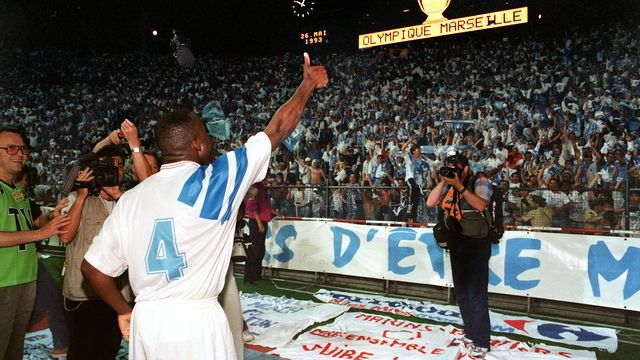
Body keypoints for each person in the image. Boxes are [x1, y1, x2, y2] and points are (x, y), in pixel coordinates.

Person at [80, 53, 328, 359]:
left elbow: (92, 269)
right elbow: (276, 130)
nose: (211, 138)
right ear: (197, 144)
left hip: (147, 321)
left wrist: (122, 310)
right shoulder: (216, 180)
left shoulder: (131, 197)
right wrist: (306, 85)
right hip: (196, 321)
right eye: (207, 133)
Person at [0, 126, 70, 360]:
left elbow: (35, 221)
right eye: (10, 148)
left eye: (23, 149)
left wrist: (53, 216)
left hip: (25, 278)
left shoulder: (16, 191)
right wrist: (40, 234)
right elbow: (35, 232)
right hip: (3, 281)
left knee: (13, 347)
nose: (19, 153)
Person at [59, 144, 129, 360]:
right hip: (84, 295)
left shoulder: (129, 201)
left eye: (120, 165)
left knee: (108, 351)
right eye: (110, 165)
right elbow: (65, 236)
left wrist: (118, 196)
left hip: (118, 293)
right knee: (83, 352)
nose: (115, 170)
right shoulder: (78, 198)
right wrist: (80, 195)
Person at [426, 150, 492, 359]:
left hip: (477, 244)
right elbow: (430, 202)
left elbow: (481, 204)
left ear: (466, 167)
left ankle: (482, 342)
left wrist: (460, 185)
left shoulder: (481, 181)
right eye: (450, 166)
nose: (453, 170)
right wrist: (444, 181)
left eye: (457, 167)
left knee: (476, 295)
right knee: (462, 294)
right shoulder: (450, 185)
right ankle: (470, 334)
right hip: (457, 244)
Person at [243, 181, 280, 284]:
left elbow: (265, 205)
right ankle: (249, 277)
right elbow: (252, 206)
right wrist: (259, 223)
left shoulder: (261, 186)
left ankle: (256, 275)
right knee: (255, 249)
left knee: (260, 249)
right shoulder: (254, 186)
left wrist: (276, 213)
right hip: (256, 221)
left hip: (261, 220)